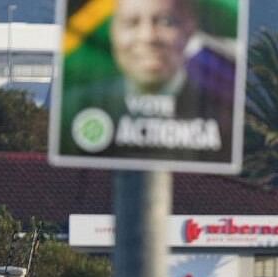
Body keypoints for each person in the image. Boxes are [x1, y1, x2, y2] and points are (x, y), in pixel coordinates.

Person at [59, 0, 236, 162]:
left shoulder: (225, 116)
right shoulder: (73, 109)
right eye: (131, 23)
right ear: (113, 32)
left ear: (189, 30)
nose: (148, 37)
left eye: (166, 22)